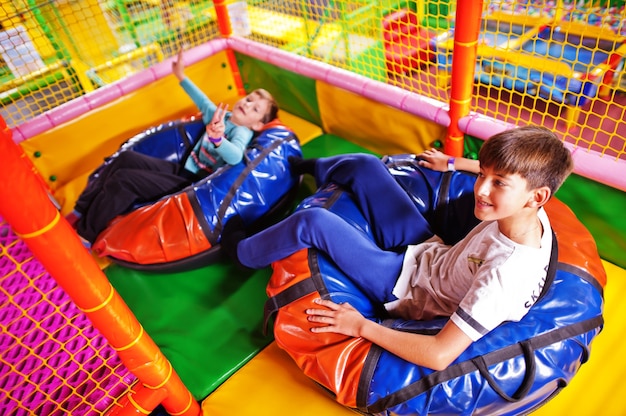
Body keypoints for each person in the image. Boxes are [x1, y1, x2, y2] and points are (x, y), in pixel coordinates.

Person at [223, 125, 573, 371]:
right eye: (482, 174)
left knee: (312, 222)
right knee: (364, 167)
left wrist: (361, 326)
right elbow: (501, 176)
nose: (481, 189)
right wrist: (453, 164)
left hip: (408, 287)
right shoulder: (526, 211)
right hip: (429, 252)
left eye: (498, 183)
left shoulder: (505, 276)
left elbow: (439, 355)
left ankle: (239, 253)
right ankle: (305, 167)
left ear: (536, 197)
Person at [69, 48, 279, 243]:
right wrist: (181, 76)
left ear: (258, 124)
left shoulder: (242, 132)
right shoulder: (223, 116)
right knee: (124, 159)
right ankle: (81, 209)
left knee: (124, 180)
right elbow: (203, 102)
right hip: (182, 170)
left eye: (255, 108)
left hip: (193, 186)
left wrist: (217, 139)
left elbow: (234, 156)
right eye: (249, 99)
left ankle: (86, 234)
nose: (247, 104)